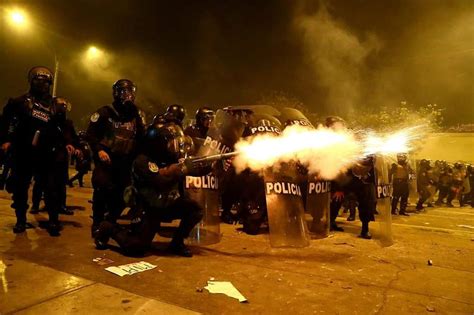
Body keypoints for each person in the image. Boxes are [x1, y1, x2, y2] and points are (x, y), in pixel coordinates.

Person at [94, 122, 206, 257]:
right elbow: (160, 182)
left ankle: (177, 243)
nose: (174, 147)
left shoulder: (169, 158)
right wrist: (183, 170)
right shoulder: (142, 161)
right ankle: (108, 228)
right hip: (146, 208)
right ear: (158, 143)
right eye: (171, 143)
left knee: (195, 209)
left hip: (165, 204)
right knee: (136, 247)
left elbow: (195, 170)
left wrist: (207, 165)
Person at [0, 66, 79, 235]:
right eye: (38, 80)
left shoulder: (56, 104)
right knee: (20, 188)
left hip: (47, 153)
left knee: (52, 188)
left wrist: (68, 142)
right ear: (31, 81)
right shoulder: (19, 102)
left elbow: (63, 127)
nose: (42, 84)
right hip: (24, 151)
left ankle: (53, 220)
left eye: (45, 82)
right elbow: (6, 122)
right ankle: (21, 220)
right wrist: (6, 140)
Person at [87, 79, 145, 236]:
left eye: (130, 92)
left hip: (125, 162)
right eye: (123, 92)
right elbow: (91, 135)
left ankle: (110, 221)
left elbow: (142, 138)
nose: (127, 95)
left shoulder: (137, 115)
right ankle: (97, 223)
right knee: (101, 187)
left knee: (122, 194)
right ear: (115, 93)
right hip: (107, 159)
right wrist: (99, 150)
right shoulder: (105, 112)